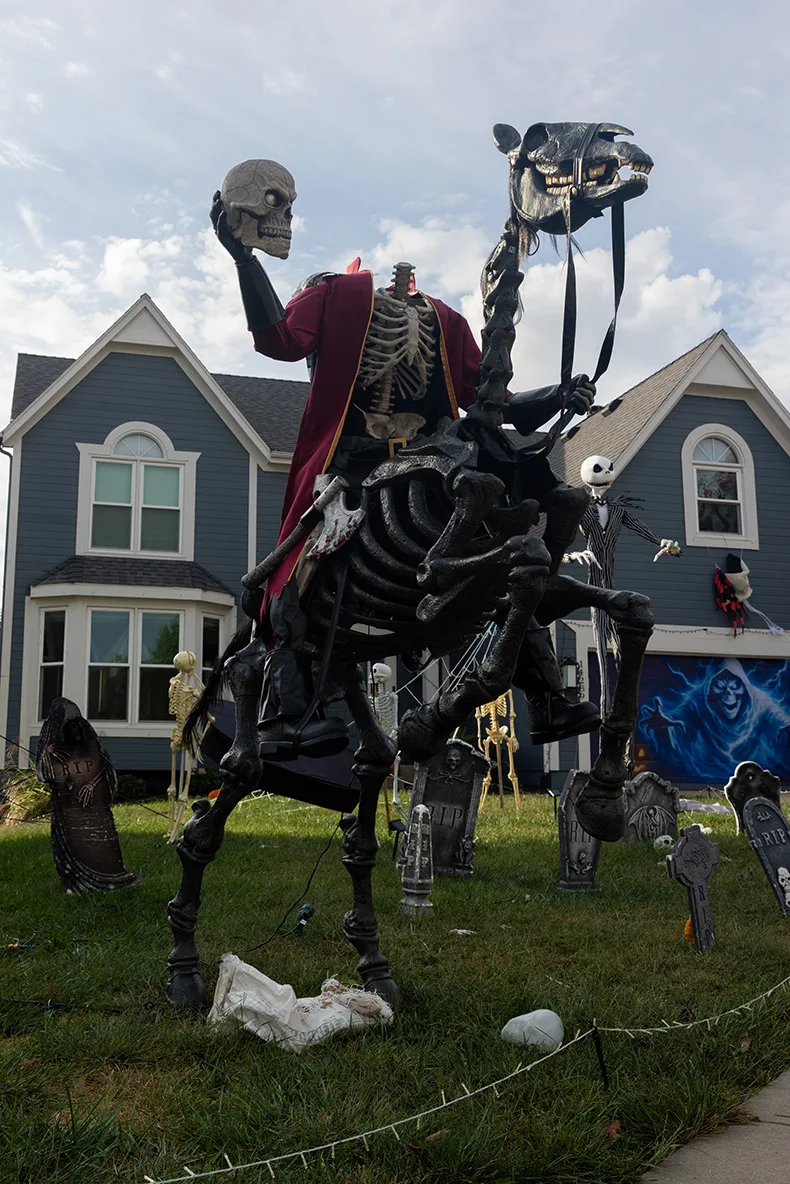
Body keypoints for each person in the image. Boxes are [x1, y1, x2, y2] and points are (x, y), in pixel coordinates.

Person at [212, 195, 600, 757]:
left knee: (509, 551)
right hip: (355, 465)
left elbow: (499, 404)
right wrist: (245, 261)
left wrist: (560, 394)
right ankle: (290, 708)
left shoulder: (445, 320)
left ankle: (545, 694)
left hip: (436, 460)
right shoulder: (332, 295)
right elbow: (278, 340)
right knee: (297, 566)